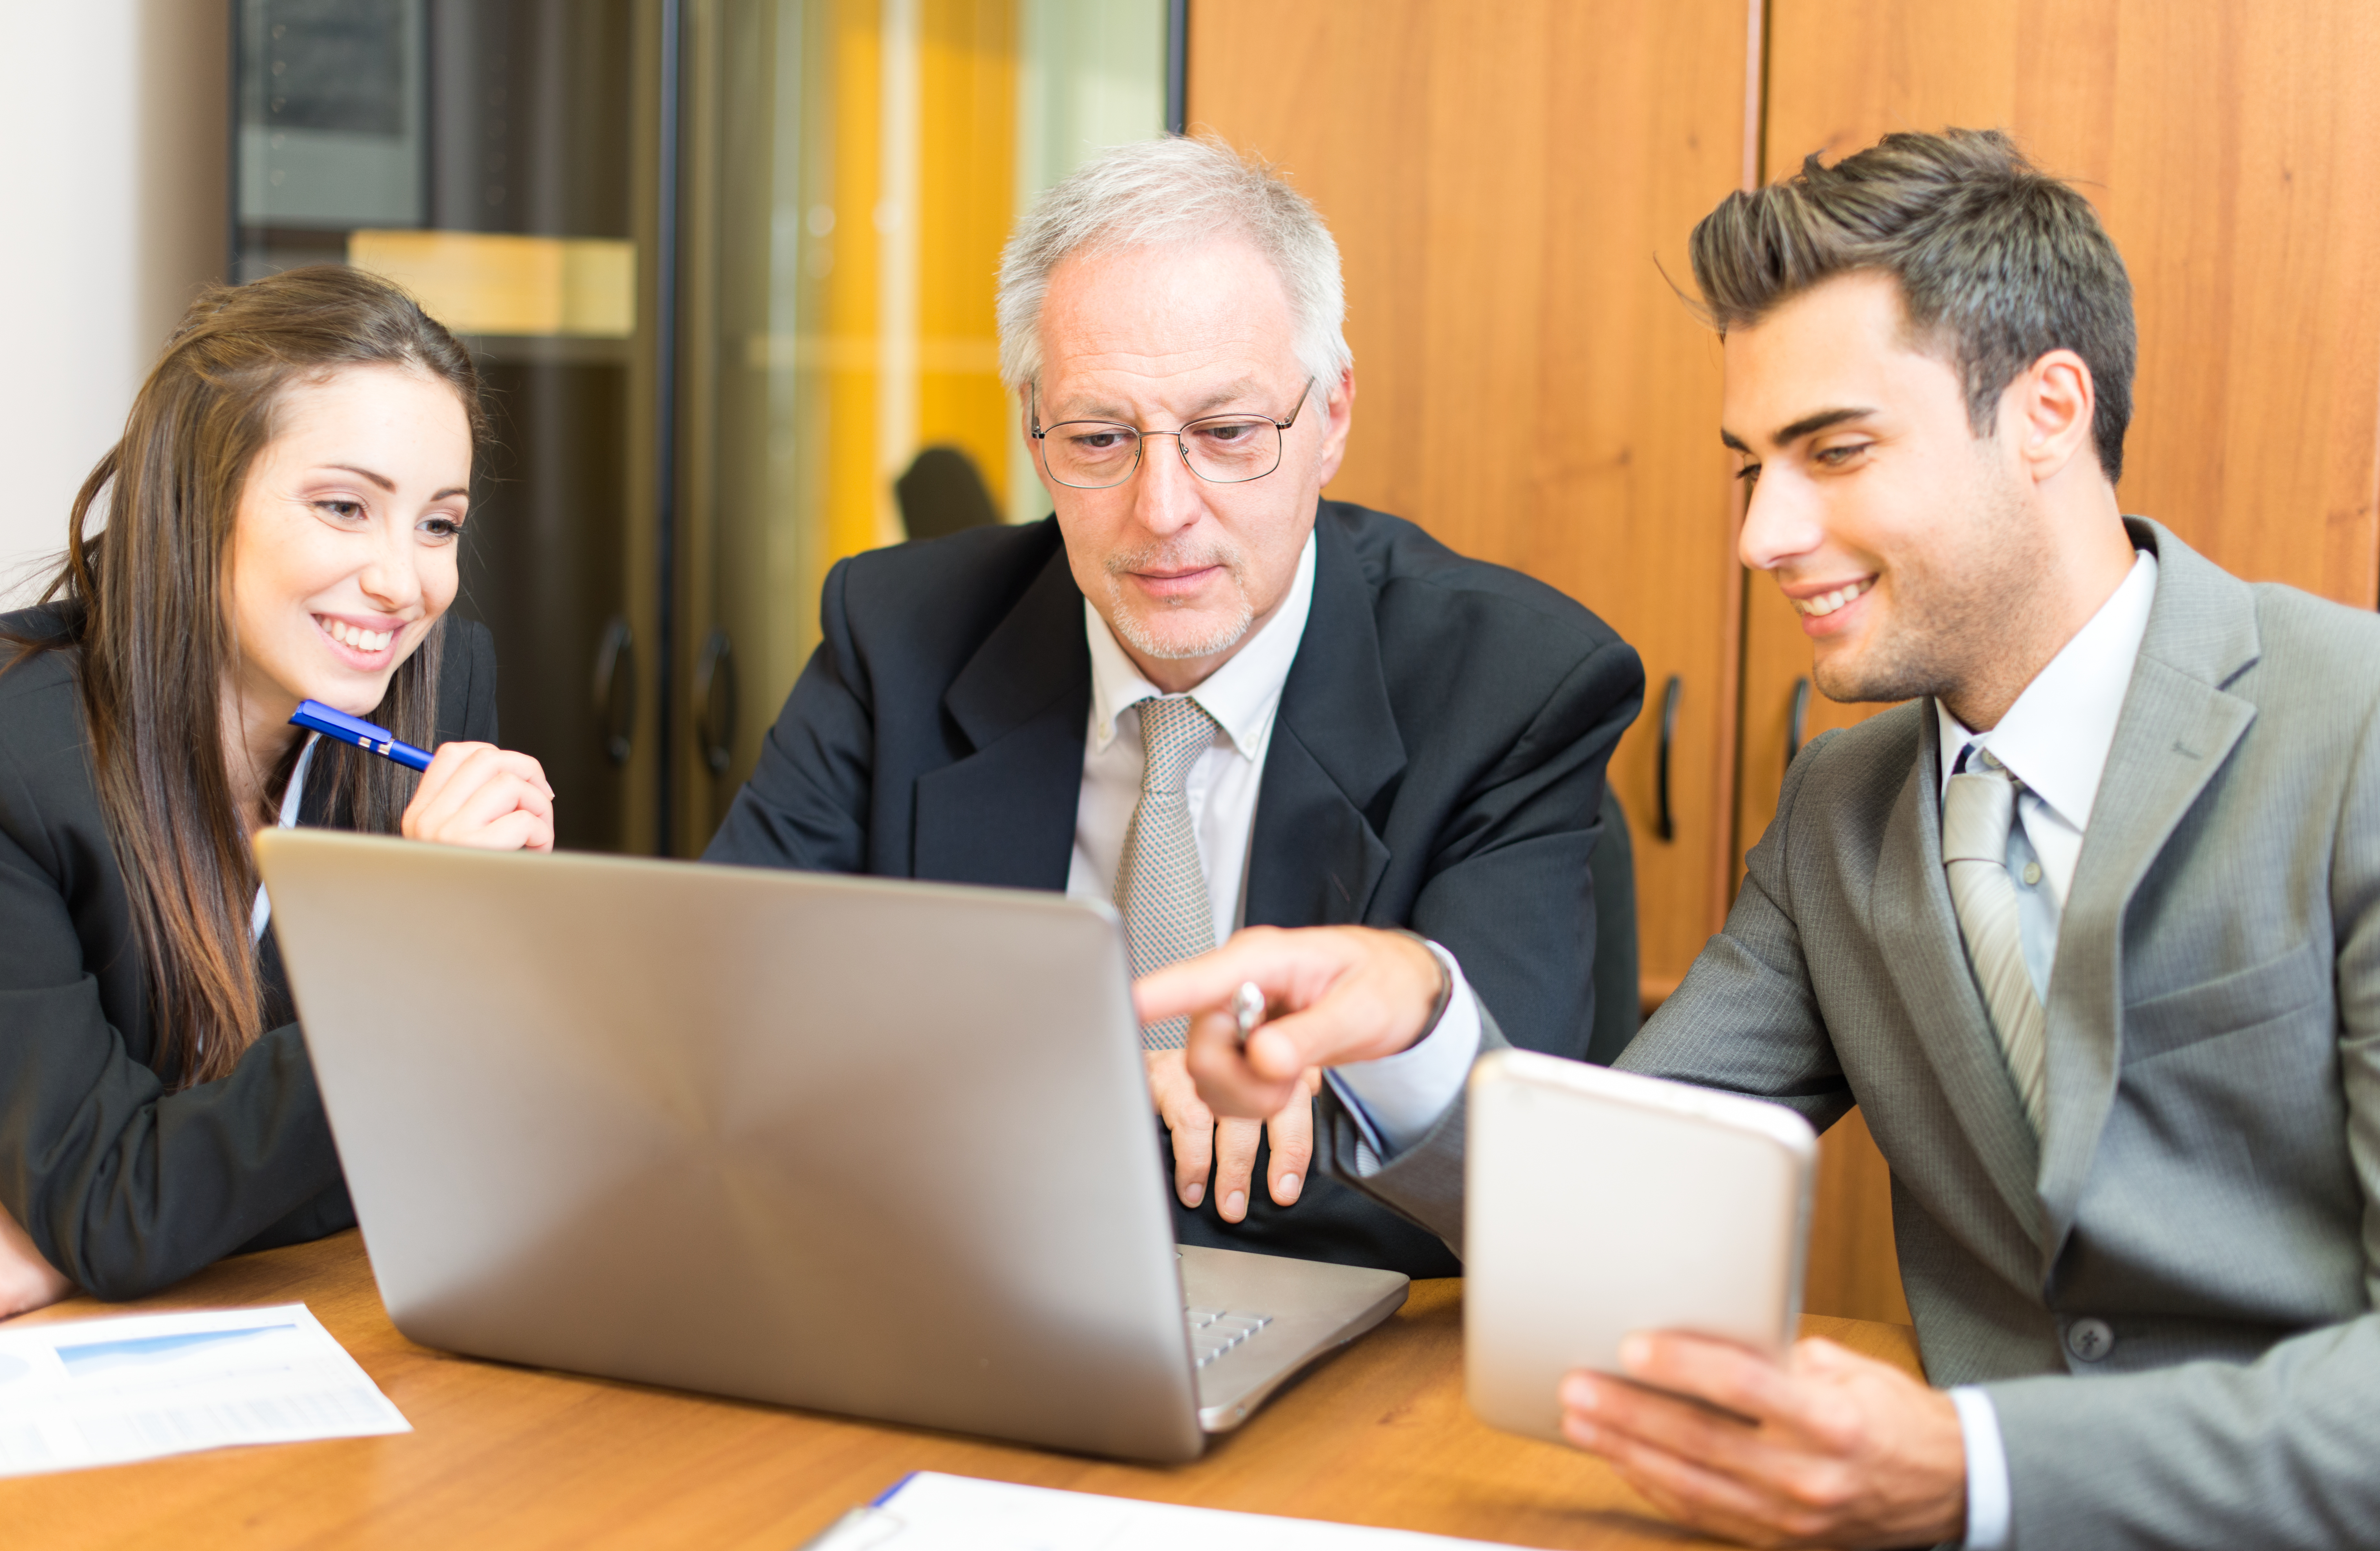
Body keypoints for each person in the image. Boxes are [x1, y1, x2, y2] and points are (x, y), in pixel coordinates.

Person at [1149, 129, 2380, 1550]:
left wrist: (1977, 1466)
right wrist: (1413, 1022)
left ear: (2048, 411)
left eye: (1835, 450)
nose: (1763, 532)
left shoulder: (2349, 731)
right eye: (1749, 465)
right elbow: (1601, 1216)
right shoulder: (1837, 812)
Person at [704, 136, 1643, 1277]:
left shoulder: (1512, 686)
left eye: (1228, 434)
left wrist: (976, 1110)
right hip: (953, 1310)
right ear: (1034, 430)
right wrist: (1105, 1084)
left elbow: (1485, 1180)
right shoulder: (899, 634)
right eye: (1101, 439)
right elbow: (730, 1047)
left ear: (1331, 417)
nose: (1162, 510)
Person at [0, 266, 556, 1316]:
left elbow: (466, 1140)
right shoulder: (20, 760)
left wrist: (87, 1230)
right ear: (197, 502)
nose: (406, 584)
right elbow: (120, 1210)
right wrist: (416, 941)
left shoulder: (441, 691)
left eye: (438, 525)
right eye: (345, 507)